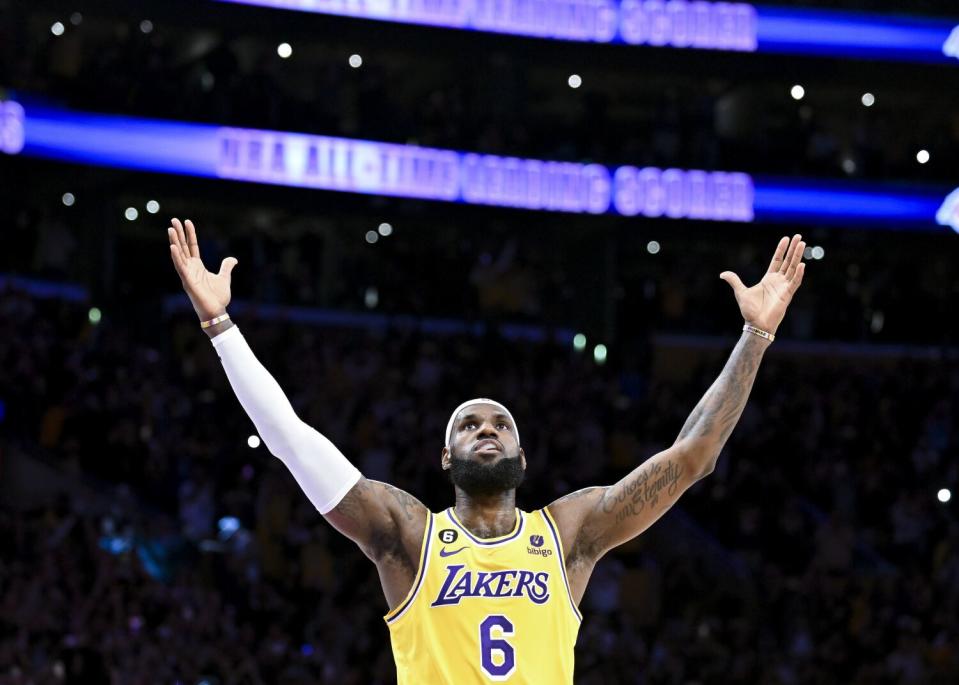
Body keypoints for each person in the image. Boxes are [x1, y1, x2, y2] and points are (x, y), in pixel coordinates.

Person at [167, 218, 807, 683]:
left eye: (500, 423)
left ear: (523, 458)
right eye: (469, 424)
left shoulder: (571, 534)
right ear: (446, 458)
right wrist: (220, 327)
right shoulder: (407, 536)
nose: (487, 428)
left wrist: (755, 334)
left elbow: (692, 455)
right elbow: (291, 439)